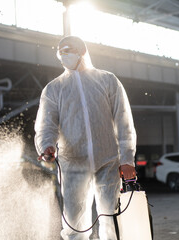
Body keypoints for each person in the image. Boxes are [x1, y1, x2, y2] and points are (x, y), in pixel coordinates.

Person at [34, 36, 137, 240]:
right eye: (60, 51)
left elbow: (123, 121)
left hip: (108, 161)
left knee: (112, 219)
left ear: (82, 51)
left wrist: (127, 160)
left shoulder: (107, 80)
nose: (64, 54)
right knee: (74, 225)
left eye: (68, 49)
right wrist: (46, 146)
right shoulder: (54, 88)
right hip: (73, 164)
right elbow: (46, 124)